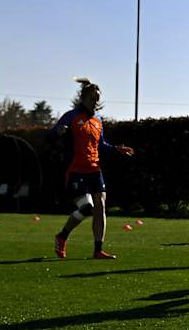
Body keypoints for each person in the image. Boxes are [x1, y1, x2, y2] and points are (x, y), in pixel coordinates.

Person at [50, 78, 134, 260]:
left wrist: (116, 149)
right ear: (84, 98)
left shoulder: (98, 121)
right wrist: (58, 132)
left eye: (97, 98)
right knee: (87, 207)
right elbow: (51, 134)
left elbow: (101, 144)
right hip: (76, 170)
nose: (95, 101)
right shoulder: (71, 116)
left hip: (94, 169)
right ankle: (62, 236)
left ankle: (98, 250)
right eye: (92, 98)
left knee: (100, 206)